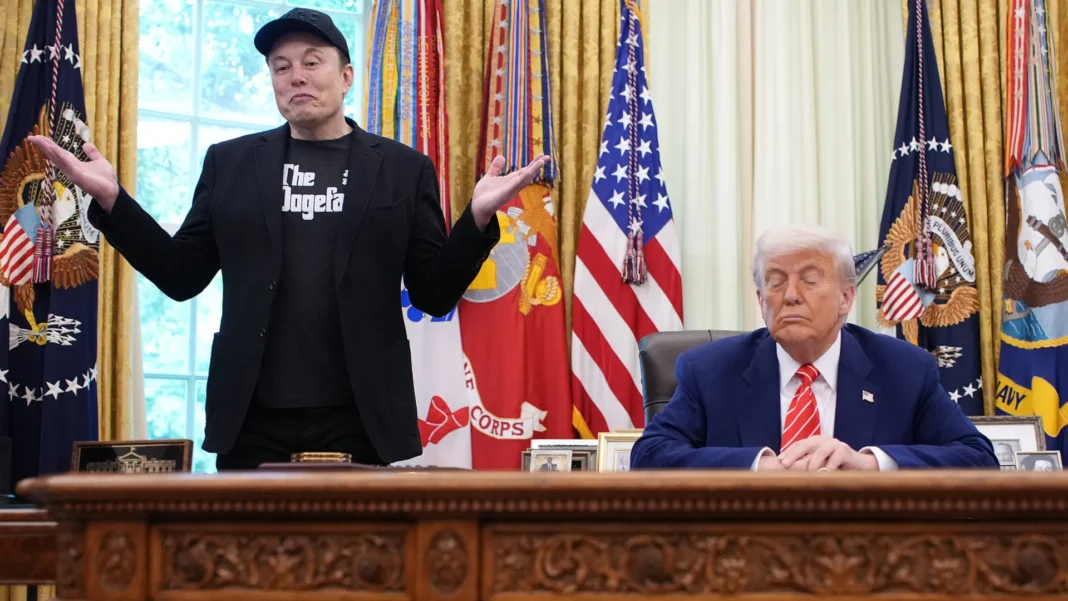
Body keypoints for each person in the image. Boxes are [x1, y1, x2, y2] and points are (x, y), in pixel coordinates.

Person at [28, 8, 548, 471]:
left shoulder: (402, 169)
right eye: (281, 67)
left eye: (312, 62)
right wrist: (114, 202)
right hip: (252, 416)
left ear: (346, 77)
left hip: (360, 415)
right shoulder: (230, 163)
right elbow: (181, 275)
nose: (296, 76)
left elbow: (433, 293)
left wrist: (476, 219)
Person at [630, 224, 998, 471]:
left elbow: (977, 458)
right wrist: (759, 466)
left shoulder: (904, 370)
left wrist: (869, 463)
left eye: (809, 280)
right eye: (775, 282)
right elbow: (649, 455)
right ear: (760, 300)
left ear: (846, 297)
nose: (790, 296)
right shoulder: (711, 371)